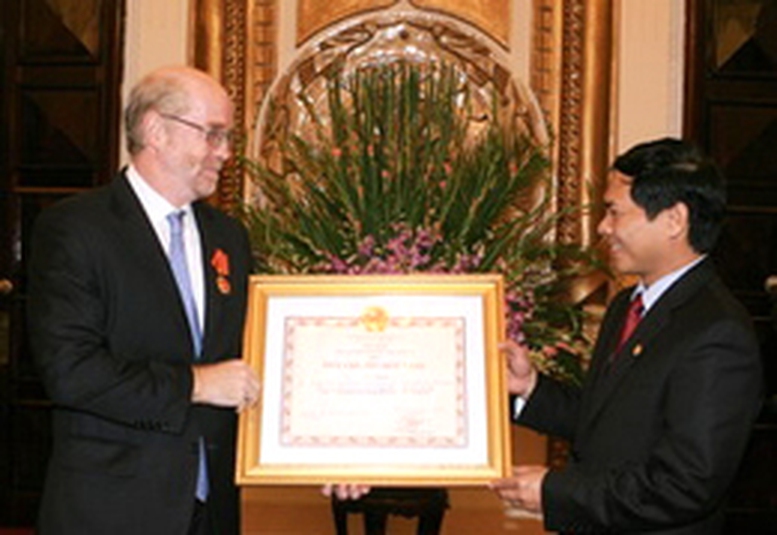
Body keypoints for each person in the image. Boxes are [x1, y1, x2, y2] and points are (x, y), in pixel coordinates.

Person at [27, 66, 261, 535]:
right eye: (213, 134)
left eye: (228, 137)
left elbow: (254, 359)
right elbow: (71, 372)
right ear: (156, 130)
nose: (225, 152)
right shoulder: (76, 229)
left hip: (211, 512)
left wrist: (324, 453)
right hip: (111, 511)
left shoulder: (229, 237)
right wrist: (195, 384)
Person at [490, 138, 764, 534]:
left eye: (615, 212)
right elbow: (606, 420)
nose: (603, 227)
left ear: (674, 220)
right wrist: (530, 387)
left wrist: (557, 492)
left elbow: (684, 486)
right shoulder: (627, 306)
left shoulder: (717, 332)